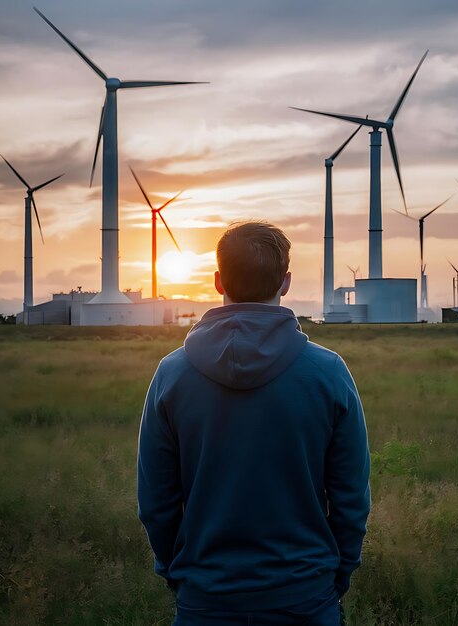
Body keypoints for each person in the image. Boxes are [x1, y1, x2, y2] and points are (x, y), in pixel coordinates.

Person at [138, 221, 370, 625]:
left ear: (216, 281)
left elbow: (156, 502)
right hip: (305, 597)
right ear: (286, 282)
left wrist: (180, 574)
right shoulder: (328, 373)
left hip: (204, 599)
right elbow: (351, 498)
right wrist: (337, 575)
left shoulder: (170, 375)